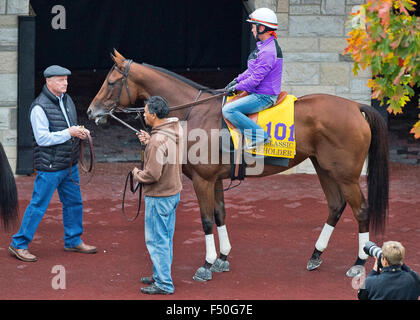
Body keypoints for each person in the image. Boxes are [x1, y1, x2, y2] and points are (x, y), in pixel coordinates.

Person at [8, 65, 97, 262]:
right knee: (38, 205)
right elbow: (42, 139)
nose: (65, 83)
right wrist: (69, 133)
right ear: (49, 82)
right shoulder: (38, 107)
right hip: (50, 168)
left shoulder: (67, 99)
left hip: (69, 165)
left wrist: (80, 132)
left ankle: (73, 240)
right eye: (60, 80)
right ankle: (18, 244)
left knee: (74, 203)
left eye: (66, 79)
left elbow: (68, 127)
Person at [132, 96, 183, 295]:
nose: (143, 114)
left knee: (156, 240)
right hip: (173, 193)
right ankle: (160, 274)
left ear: (153, 115)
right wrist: (149, 141)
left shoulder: (157, 141)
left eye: (145, 112)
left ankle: (163, 284)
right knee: (166, 238)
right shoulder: (174, 130)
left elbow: (152, 174)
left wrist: (136, 174)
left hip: (159, 197)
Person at [222, 7, 283, 150]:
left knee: (228, 110)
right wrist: (236, 80)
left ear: (262, 27)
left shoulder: (268, 51)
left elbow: (255, 80)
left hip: (264, 97)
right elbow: (251, 70)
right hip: (258, 93)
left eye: (253, 26)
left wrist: (237, 88)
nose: (252, 30)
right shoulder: (264, 46)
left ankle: (260, 136)